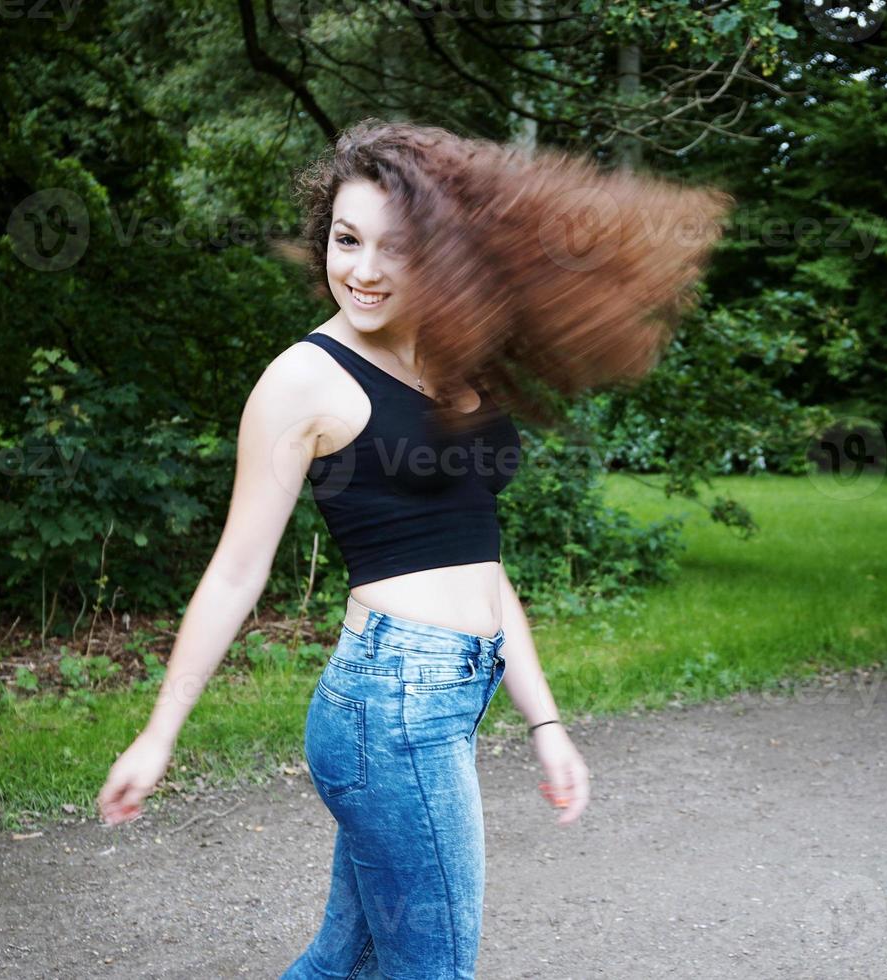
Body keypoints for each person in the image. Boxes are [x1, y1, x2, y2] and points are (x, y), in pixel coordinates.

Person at [98, 117, 731, 978]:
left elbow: (481, 561)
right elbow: (236, 572)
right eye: (345, 239)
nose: (361, 269)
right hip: (388, 706)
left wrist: (544, 722)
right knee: (434, 968)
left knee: (344, 958)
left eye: (393, 247)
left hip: (446, 694)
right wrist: (159, 733)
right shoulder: (304, 379)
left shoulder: (454, 359)